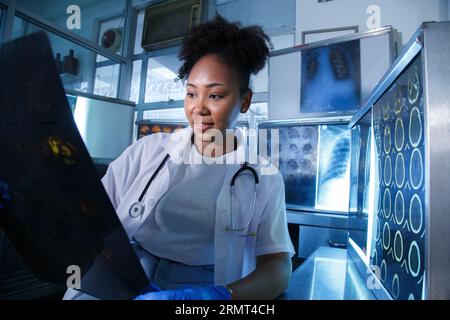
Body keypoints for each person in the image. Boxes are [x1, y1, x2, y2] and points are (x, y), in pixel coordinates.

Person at [64, 15, 294, 300]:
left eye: (216, 96)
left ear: (244, 101)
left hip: (204, 282)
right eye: (190, 94)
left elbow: (279, 269)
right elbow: (93, 217)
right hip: (127, 271)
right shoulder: (146, 151)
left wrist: (217, 297)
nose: (198, 109)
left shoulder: (264, 176)